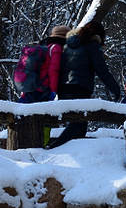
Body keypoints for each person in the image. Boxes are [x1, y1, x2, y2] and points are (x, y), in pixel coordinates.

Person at [46, 21, 120, 149]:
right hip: (79, 89)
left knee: (78, 125)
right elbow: (102, 70)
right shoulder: (92, 46)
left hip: (63, 89)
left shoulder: (68, 45)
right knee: (78, 125)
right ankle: (53, 148)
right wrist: (115, 89)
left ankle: (67, 154)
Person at [16, 25, 68, 147]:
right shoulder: (57, 48)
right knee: (45, 118)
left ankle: (22, 143)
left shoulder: (44, 46)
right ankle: (40, 145)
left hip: (32, 86)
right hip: (44, 88)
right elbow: (54, 70)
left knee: (23, 113)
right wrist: (54, 91)